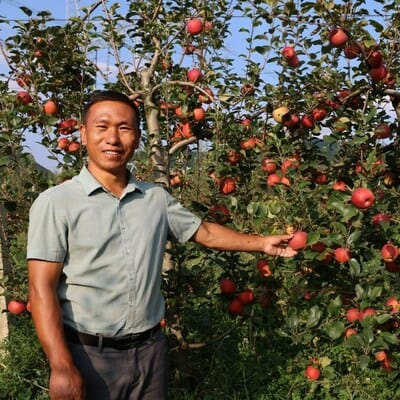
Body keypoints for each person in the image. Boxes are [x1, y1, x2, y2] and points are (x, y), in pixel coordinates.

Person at [27, 90, 297, 400]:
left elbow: (205, 232)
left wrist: (262, 244)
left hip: (150, 352)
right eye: (102, 127)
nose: (113, 138)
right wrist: (61, 366)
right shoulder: (56, 203)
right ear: (84, 134)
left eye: (124, 128)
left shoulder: (155, 198)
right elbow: (41, 289)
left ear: (138, 138)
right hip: (89, 355)